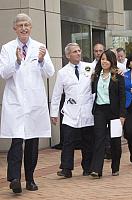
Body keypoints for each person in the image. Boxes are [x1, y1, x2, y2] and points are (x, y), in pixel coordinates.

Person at [0, 13, 55, 193]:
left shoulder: (40, 47)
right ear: (14, 28)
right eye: (20, 25)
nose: (24, 28)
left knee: (32, 143)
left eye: (27, 25)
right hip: (15, 102)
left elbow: (50, 72)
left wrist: (41, 60)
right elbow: (4, 73)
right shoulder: (7, 48)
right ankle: (14, 178)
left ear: (31, 28)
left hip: (34, 103)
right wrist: (16, 61)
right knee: (17, 141)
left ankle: (30, 178)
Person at [50, 43, 94, 178]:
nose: (78, 53)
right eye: (75, 51)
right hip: (70, 111)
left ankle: (88, 167)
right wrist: (53, 113)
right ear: (68, 55)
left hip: (87, 110)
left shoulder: (89, 67)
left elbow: (105, 73)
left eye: (79, 50)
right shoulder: (63, 72)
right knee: (68, 141)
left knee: (88, 141)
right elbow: (57, 94)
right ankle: (66, 169)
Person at [90, 49, 126, 178]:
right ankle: (96, 169)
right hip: (99, 110)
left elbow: (122, 97)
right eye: (102, 59)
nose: (104, 61)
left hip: (114, 112)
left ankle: (115, 167)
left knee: (115, 140)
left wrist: (122, 115)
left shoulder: (119, 76)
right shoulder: (96, 75)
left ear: (112, 61)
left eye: (107, 59)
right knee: (99, 139)